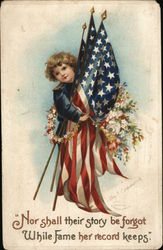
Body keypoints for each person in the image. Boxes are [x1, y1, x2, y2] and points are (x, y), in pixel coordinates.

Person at [45, 51, 125, 215]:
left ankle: (85, 190)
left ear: (72, 66)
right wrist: (77, 116)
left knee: (89, 157)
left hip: (90, 128)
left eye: (64, 68)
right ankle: (74, 191)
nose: (63, 74)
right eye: (58, 74)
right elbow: (63, 107)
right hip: (72, 130)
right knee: (74, 160)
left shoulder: (85, 82)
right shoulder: (59, 91)